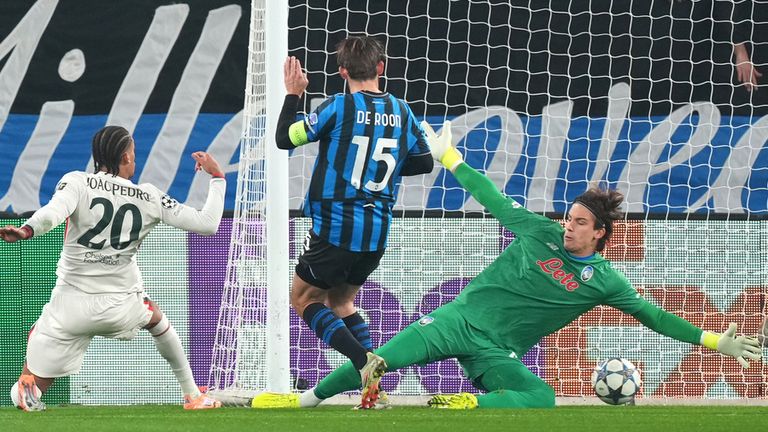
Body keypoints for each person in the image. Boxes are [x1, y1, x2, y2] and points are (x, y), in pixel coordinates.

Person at [252, 120, 762, 410]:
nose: (568, 226)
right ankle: (306, 400)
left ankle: (467, 404)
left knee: (541, 397)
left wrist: (715, 341)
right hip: (455, 322)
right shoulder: (540, 230)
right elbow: (491, 197)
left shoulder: (605, 281)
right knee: (378, 361)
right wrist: (450, 158)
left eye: (580, 223)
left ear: (600, 234)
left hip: (496, 351)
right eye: (569, 218)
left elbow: (655, 316)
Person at [0, 126, 226, 411]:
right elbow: (208, 224)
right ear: (125, 157)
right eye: (134, 153)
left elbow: (52, 213)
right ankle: (193, 395)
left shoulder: (77, 182)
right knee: (157, 320)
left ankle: (26, 389)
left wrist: (27, 229)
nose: (134, 159)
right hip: (122, 305)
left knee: (32, 377)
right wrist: (217, 178)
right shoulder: (148, 197)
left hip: (68, 309)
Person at [274, 35, 433, 404]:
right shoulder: (402, 110)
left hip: (336, 226)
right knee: (342, 301)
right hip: (377, 231)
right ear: (381, 67)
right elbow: (424, 162)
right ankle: (373, 389)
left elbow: (285, 138)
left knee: (303, 298)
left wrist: (294, 94)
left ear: (342, 71)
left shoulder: (337, 107)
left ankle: (364, 362)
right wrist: (381, 171)